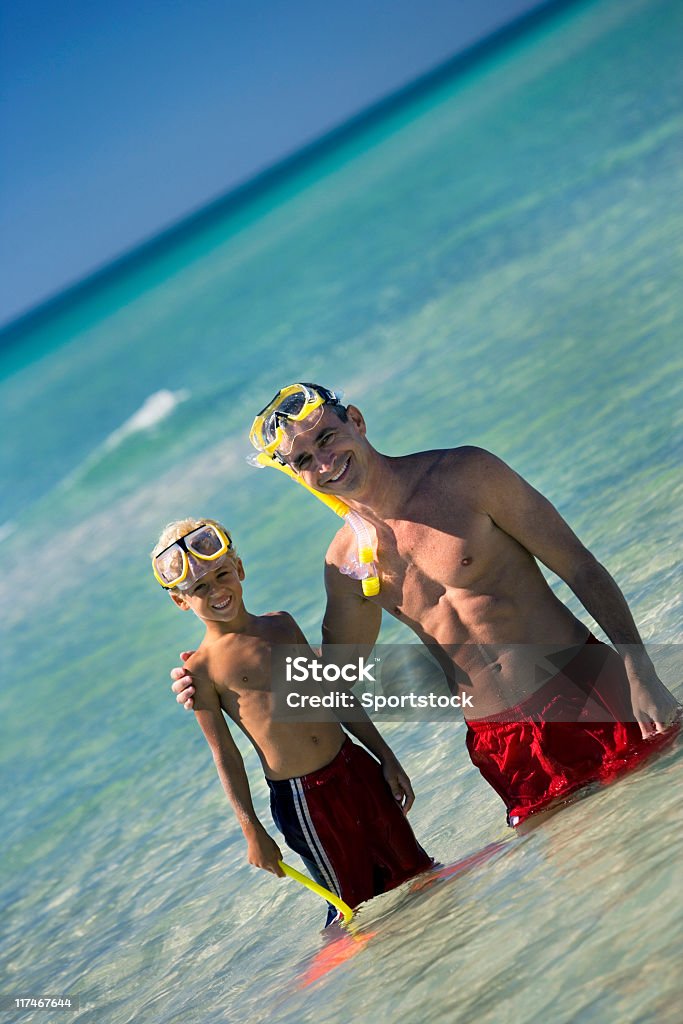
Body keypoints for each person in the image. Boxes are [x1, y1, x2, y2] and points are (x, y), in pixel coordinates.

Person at [171, 385, 680, 827]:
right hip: (500, 741)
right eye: (303, 460)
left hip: (586, 691)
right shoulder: (348, 562)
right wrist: (217, 665)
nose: (323, 463)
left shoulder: (465, 474)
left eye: (326, 438)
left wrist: (640, 668)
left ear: (357, 421)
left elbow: (579, 566)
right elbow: (332, 680)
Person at [151, 516, 432, 924]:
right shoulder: (201, 670)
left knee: (415, 870)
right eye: (199, 588)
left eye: (222, 574)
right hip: (304, 800)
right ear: (181, 601)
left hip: (355, 768)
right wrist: (251, 829)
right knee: (352, 909)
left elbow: (333, 692)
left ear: (240, 569)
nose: (216, 591)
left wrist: (385, 755)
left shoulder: (281, 625)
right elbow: (224, 754)